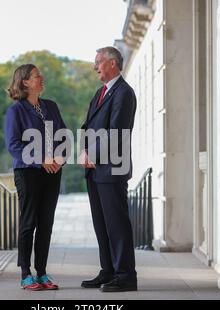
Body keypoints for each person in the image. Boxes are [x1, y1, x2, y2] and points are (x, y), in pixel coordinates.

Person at [80, 47, 138, 292]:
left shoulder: (124, 93)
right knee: (102, 224)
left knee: (116, 224)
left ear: (112, 63)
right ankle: (109, 271)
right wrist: (85, 152)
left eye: (98, 62)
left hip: (112, 169)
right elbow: (91, 126)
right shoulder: (101, 92)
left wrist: (92, 153)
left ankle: (125, 276)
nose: (95, 67)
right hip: (95, 170)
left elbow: (116, 131)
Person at [5, 64, 67, 291]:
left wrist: (59, 159)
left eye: (40, 75)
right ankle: (25, 273)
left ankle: (41, 273)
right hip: (28, 171)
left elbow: (63, 136)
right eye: (36, 76)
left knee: (46, 223)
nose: (42, 78)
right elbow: (13, 145)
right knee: (29, 221)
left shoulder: (50, 106)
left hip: (52, 172)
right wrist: (41, 159)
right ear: (25, 83)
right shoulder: (16, 110)